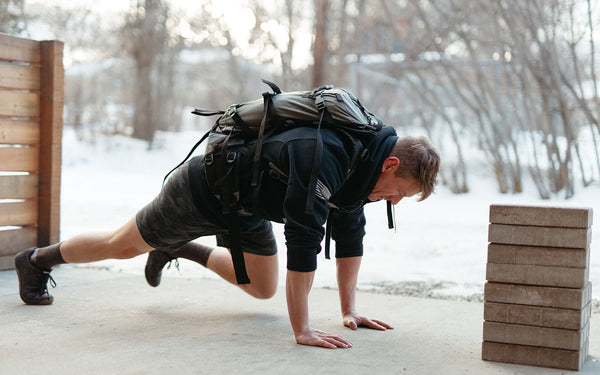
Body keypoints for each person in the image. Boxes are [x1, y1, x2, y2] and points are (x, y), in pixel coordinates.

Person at [15, 124, 440, 349]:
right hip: (201, 192)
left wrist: (350, 310)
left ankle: (180, 249)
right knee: (121, 245)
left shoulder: (365, 171)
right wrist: (303, 329)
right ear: (391, 164)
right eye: (401, 192)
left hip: (246, 205)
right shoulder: (328, 156)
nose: (396, 202)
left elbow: (349, 232)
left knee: (262, 287)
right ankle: (36, 261)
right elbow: (305, 240)